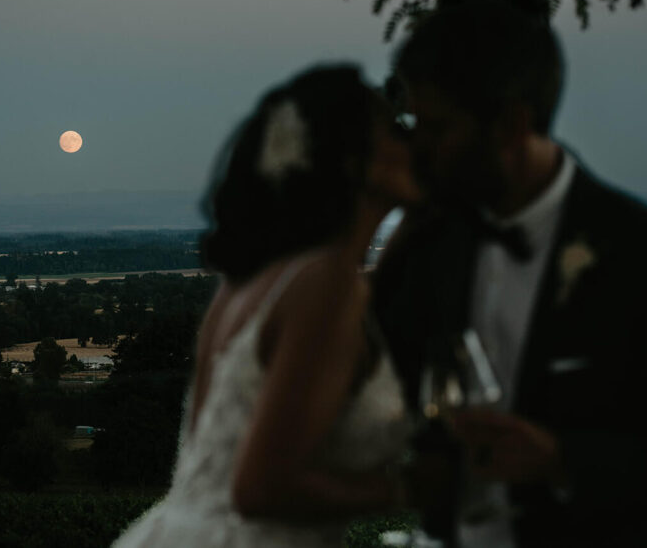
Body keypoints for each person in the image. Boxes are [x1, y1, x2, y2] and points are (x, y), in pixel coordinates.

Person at [372, 0, 647, 547]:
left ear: (512, 123)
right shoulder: (432, 244)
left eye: (439, 128)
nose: (418, 148)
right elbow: (381, 376)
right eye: (415, 124)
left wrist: (564, 460)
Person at [112, 64, 422, 547]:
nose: (413, 144)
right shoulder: (324, 282)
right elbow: (261, 488)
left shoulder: (253, 278)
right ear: (352, 160)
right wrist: (413, 489)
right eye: (396, 130)